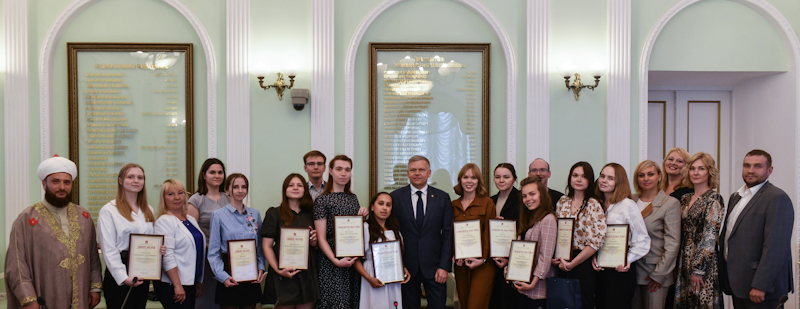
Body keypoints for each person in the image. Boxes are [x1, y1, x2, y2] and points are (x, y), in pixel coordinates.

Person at [4, 155, 102, 309]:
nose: (62, 187)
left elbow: (93, 256)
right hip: (43, 298)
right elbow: (16, 263)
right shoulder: (27, 218)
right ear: (44, 184)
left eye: (66, 182)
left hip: (80, 297)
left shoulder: (84, 216)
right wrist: (28, 299)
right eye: (56, 181)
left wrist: (95, 287)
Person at [719, 150, 794, 309]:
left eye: (757, 166)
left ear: (769, 170)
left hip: (761, 290)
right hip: (739, 285)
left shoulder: (776, 198)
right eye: (747, 165)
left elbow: (776, 248)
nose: (750, 170)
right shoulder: (736, 196)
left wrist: (761, 285)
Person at [390, 155, 454, 309]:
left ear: (429, 172)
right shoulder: (395, 197)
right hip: (406, 267)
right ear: (408, 173)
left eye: (421, 169)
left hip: (435, 267)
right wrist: (398, 265)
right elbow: (390, 232)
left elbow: (448, 235)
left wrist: (444, 267)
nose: (417, 173)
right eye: (413, 170)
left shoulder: (442, 198)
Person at [97, 163, 159, 309]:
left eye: (140, 177)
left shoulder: (148, 210)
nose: (136, 181)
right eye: (130, 177)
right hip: (120, 273)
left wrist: (159, 250)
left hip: (142, 271)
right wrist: (124, 278)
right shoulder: (109, 211)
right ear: (120, 181)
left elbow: (151, 241)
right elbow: (109, 249)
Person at [313, 155, 368, 308]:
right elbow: (321, 238)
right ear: (330, 171)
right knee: (334, 303)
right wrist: (336, 261)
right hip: (330, 261)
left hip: (352, 259)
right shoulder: (322, 200)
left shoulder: (353, 198)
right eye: (339, 169)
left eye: (347, 170)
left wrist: (361, 217)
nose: (343, 173)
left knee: (351, 301)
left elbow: (354, 230)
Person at [592, 163, 651, 309]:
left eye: (610, 178)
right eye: (602, 176)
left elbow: (642, 239)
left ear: (619, 182)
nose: (604, 180)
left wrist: (628, 260)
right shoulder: (595, 204)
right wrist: (593, 257)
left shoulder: (628, 205)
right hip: (598, 270)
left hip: (620, 272)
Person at [262, 174, 320, 309]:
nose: (295, 188)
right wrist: (278, 270)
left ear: (305, 190)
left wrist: (314, 243)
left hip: (307, 273)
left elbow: (317, 245)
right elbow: (267, 246)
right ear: (285, 189)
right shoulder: (274, 213)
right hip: (283, 273)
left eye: (300, 185)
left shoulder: (313, 214)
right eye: (291, 185)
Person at [207, 173, 265, 309]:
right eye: (236, 187)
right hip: (229, 273)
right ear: (227, 190)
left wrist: (261, 268)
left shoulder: (254, 214)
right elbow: (213, 252)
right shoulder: (218, 215)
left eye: (244, 187)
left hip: (251, 273)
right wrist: (222, 276)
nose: (240, 191)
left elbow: (260, 247)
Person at [674, 152, 724, 309]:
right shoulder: (685, 199)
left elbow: (710, 235)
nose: (696, 172)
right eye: (692, 168)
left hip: (703, 263)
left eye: (701, 168)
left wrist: (699, 269)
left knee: (701, 302)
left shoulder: (714, 198)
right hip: (684, 258)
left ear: (709, 172)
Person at [552, 161, 605, 309]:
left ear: (590, 180)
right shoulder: (562, 202)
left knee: (583, 303)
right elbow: (557, 233)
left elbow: (596, 242)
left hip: (583, 263)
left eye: (584, 176)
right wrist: (558, 259)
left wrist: (571, 265)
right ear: (570, 178)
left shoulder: (593, 204)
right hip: (562, 260)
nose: (579, 179)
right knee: (562, 304)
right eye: (575, 175)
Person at [630, 160, 681, 309]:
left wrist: (659, 274)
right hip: (631, 271)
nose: (646, 178)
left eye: (650, 174)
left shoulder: (670, 203)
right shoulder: (629, 200)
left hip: (654, 273)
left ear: (659, 176)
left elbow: (673, 243)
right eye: (641, 175)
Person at [154, 179, 206, 309]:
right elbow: (167, 255)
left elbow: (196, 250)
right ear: (163, 198)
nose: (177, 197)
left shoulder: (191, 220)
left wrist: (199, 280)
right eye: (170, 194)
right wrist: (177, 285)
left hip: (191, 281)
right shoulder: (164, 221)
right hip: (173, 285)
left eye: (180, 193)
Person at [354, 192, 411, 308]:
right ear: (372, 207)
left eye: (388, 205)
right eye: (381, 203)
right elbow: (355, 260)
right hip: (372, 275)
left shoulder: (396, 232)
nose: (384, 208)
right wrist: (369, 278)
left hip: (393, 279)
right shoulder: (365, 228)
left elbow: (397, 258)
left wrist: (403, 269)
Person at [451, 163, 496, 309]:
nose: (469, 181)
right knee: (464, 305)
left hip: (482, 264)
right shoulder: (453, 205)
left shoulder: (487, 203)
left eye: (473, 177)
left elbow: (490, 233)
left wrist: (482, 259)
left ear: (478, 181)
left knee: (476, 306)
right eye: (465, 177)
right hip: (461, 265)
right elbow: (449, 233)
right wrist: (453, 254)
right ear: (460, 180)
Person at [188, 158, 229, 309]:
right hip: (205, 260)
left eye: (220, 172)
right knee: (206, 301)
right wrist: (210, 248)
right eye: (212, 172)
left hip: (226, 260)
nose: (217, 175)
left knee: (224, 300)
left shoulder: (229, 199)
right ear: (204, 175)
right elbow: (191, 234)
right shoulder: (196, 200)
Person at [510, 177, 557, 308]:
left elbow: (545, 257)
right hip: (523, 287)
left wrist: (533, 282)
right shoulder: (528, 218)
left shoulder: (548, 219)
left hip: (538, 290)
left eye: (532, 194)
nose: (528, 199)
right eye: (524, 196)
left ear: (542, 194)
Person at [488, 163, 521, 309]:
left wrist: (509, 259)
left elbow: (524, 229)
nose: (501, 180)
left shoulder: (521, 199)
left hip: (512, 258)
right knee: (493, 300)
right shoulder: (490, 200)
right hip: (492, 258)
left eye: (506, 177)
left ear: (514, 179)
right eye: (498, 177)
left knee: (509, 301)